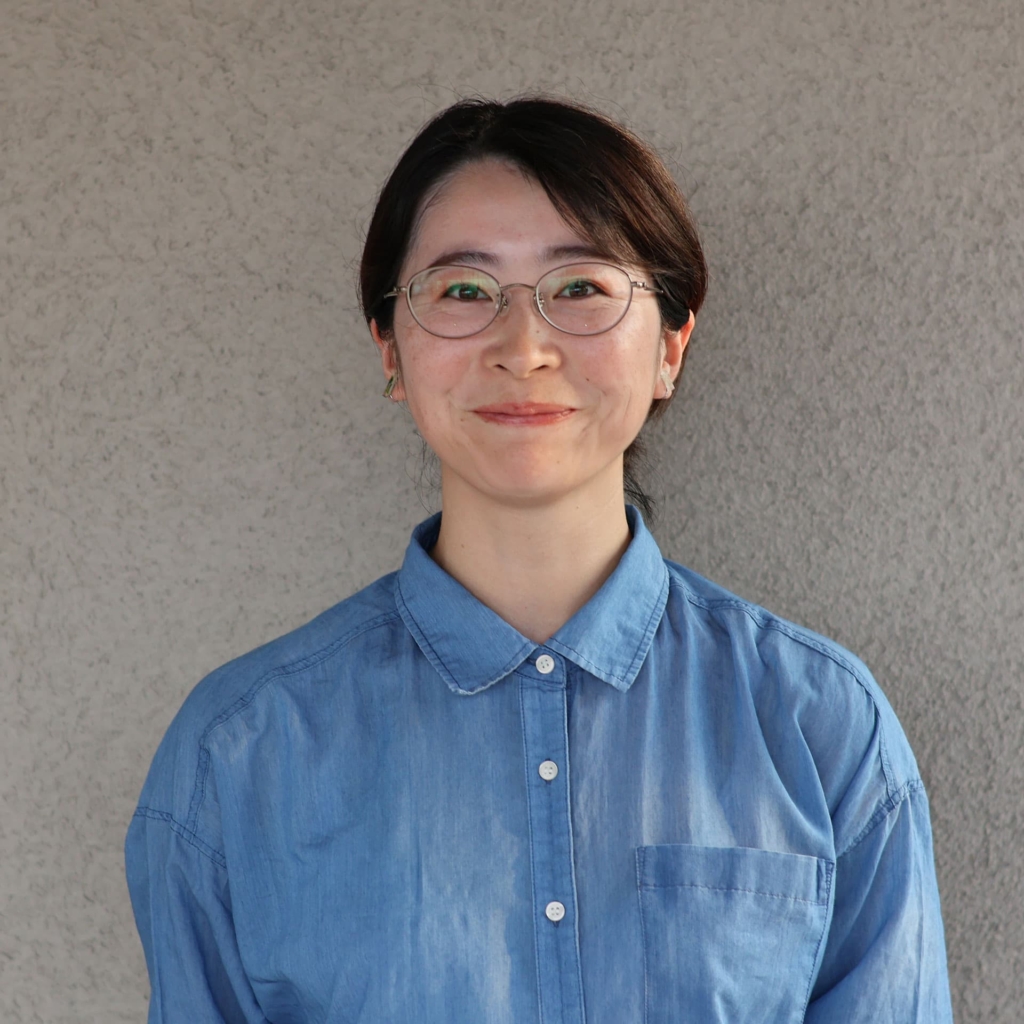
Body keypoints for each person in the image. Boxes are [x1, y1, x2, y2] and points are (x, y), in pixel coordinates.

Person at [125, 96, 953, 1023]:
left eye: (582, 288)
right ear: (389, 348)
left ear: (671, 346)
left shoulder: (818, 725)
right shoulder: (241, 752)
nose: (523, 350)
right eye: (463, 291)